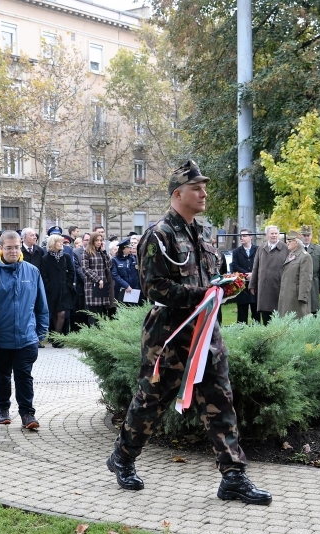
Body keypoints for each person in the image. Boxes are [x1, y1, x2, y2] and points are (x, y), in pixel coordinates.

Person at [107, 160, 272, 505]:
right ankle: (122, 457)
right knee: (151, 402)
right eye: (197, 188)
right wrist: (203, 295)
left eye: (204, 187)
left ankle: (233, 477)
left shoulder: (205, 232)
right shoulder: (158, 236)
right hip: (169, 335)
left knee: (220, 400)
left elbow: (211, 280)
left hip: (206, 333)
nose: (204, 193)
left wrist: (226, 288)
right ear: (177, 194)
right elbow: (153, 288)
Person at [0, 230, 48, 430]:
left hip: (27, 338)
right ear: (1, 248)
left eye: (17, 247)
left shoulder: (32, 272)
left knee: (24, 376)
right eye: (9, 248)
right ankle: (2, 408)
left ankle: (27, 413)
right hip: (1, 340)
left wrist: (40, 333)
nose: (13, 251)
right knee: (2, 376)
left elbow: (41, 306)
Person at [41, 234, 75, 347]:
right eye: (59, 242)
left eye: (62, 242)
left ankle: (57, 337)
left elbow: (71, 272)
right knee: (55, 313)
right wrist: (49, 287)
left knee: (62, 313)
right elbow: (44, 275)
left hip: (64, 290)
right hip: (52, 291)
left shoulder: (66, 257)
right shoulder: (45, 259)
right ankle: (56, 338)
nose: (62, 244)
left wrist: (68, 285)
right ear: (52, 244)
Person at [250, 225, 288, 325]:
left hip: (279, 286)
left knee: (278, 316)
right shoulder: (261, 248)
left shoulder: (285, 248)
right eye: (272, 233)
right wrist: (252, 284)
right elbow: (255, 267)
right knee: (266, 317)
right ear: (267, 235)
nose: (274, 235)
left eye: (276, 233)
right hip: (264, 288)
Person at [277, 230, 313, 318]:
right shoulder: (291, 254)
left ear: (296, 242)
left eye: (289, 242)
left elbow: (305, 279)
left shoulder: (305, 256)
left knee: (296, 322)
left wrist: (303, 297)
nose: (287, 243)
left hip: (296, 298)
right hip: (287, 295)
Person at [82, 231, 114, 326]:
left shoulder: (101, 252)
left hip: (102, 284)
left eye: (101, 240)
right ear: (92, 241)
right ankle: (93, 335)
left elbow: (109, 265)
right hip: (92, 284)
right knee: (93, 312)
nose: (99, 242)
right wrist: (97, 279)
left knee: (101, 311)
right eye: (97, 240)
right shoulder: (86, 252)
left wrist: (104, 252)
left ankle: (100, 335)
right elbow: (85, 268)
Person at [229, 229, 258, 324]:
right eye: (240, 236)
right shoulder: (237, 251)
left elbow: (262, 265)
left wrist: (253, 274)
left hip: (255, 285)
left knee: (256, 312)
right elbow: (234, 266)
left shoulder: (258, 250)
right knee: (242, 313)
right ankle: (240, 334)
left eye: (244, 236)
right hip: (242, 285)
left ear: (251, 237)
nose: (242, 238)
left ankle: (257, 333)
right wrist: (246, 274)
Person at [300, 226, 320, 314]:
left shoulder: (318, 249)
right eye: (304, 235)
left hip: (314, 282)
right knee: (301, 306)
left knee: (314, 307)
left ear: (311, 236)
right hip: (300, 281)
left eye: (308, 235)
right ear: (301, 236)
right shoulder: (297, 249)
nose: (306, 237)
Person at [110, 238, 141, 304]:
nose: (131, 249)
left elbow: (137, 273)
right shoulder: (115, 260)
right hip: (122, 289)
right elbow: (115, 275)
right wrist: (126, 285)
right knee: (123, 309)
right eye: (129, 248)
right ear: (123, 249)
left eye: (131, 247)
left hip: (134, 289)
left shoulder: (133, 258)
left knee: (134, 309)